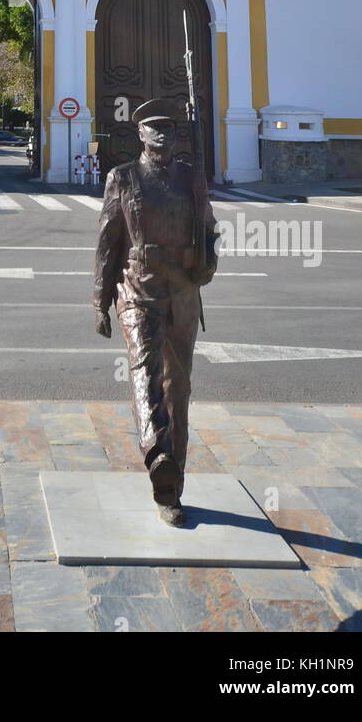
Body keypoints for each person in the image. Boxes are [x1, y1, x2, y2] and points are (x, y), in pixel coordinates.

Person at [93, 98, 218, 526]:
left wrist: (209, 262)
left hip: (182, 293)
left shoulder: (190, 177)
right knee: (145, 375)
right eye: (154, 127)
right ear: (140, 134)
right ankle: (158, 458)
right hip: (137, 290)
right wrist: (100, 299)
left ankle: (174, 486)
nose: (162, 133)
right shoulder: (123, 178)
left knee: (177, 390)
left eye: (169, 127)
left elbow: (208, 229)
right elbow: (108, 243)